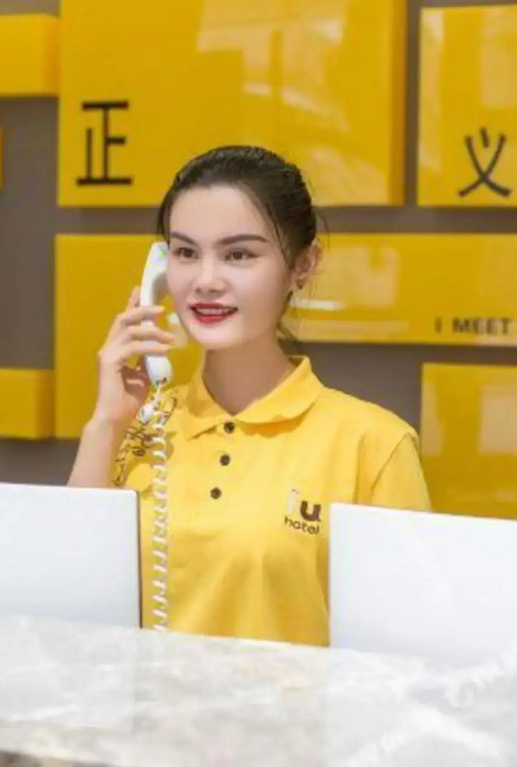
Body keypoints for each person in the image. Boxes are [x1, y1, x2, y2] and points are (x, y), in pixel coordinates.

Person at [68, 145, 431, 647]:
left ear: (302, 265)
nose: (206, 281)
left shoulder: (373, 444)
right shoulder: (133, 427)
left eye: (238, 254)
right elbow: (67, 598)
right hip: (133, 701)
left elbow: (403, 648)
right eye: (185, 253)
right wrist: (105, 424)